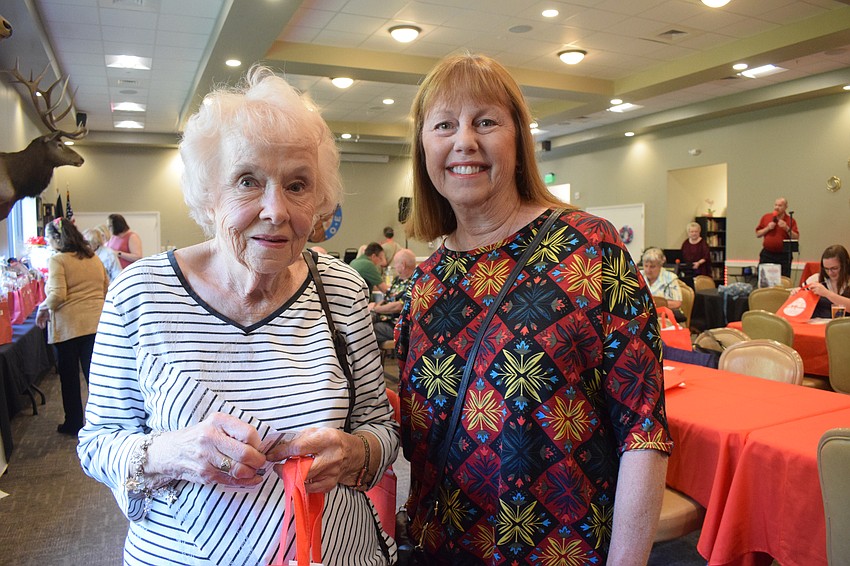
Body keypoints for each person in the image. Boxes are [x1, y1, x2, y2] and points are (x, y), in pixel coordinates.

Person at [77, 66, 398, 565]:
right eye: (248, 180)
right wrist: (174, 452)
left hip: (335, 551)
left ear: (317, 204)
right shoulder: (140, 294)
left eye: (297, 185)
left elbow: (380, 428)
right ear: (209, 194)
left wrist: (356, 453)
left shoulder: (341, 289)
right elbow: (97, 444)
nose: (275, 209)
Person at [396, 54, 671, 565]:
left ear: (518, 139)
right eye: (444, 125)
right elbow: (417, 439)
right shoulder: (425, 283)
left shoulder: (589, 248)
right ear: (423, 148)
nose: (464, 142)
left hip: (561, 550)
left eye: (484, 122)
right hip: (441, 550)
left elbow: (644, 429)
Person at [36, 218, 109, 435]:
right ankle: (104, 419)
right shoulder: (93, 258)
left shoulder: (58, 260)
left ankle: (74, 422)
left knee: (69, 378)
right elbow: (105, 288)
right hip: (95, 324)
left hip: (69, 327)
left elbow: (58, 294)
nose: (48, 242)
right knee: (95, 376)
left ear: (58, 238)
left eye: (49, 238)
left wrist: (42, 308)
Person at [370, 248, 416, 343]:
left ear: (403, 265)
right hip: (384, 319)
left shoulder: (414, 282)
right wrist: (375, 305)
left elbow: (399, 306)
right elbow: (387, 298)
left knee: (366, 331)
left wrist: (376, 309)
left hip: (398, 326)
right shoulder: (397, 280)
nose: (394, 266)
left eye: (395, 263)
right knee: (361, 324)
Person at [755, 197, 798, 277]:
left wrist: (786, 228)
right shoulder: (766, 217)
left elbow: (796, 237)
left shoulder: (790, 220)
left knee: (783, 279)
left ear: (785, 207)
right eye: (776, 205)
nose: (777, 207)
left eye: (780, 205)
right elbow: (758, 234)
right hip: (767, 254)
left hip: (783, 256)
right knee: (764, 278)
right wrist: (767, 228)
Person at [803, 244, 850, 318]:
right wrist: (795, 295)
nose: (830, 273)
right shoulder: (815, 279)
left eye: (834, 268)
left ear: (845, 265)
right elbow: (799, 305)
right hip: (816, 326)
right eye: (826, 269)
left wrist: (827, 293)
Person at [641, 247, 686, 322]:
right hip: (642, 317)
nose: (648, 270)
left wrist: (656, 304)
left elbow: (677, 303)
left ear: (660, 266)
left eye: (652, 267)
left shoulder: (670, 278)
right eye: (646, 266)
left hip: (665, 318)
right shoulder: (638, 276)